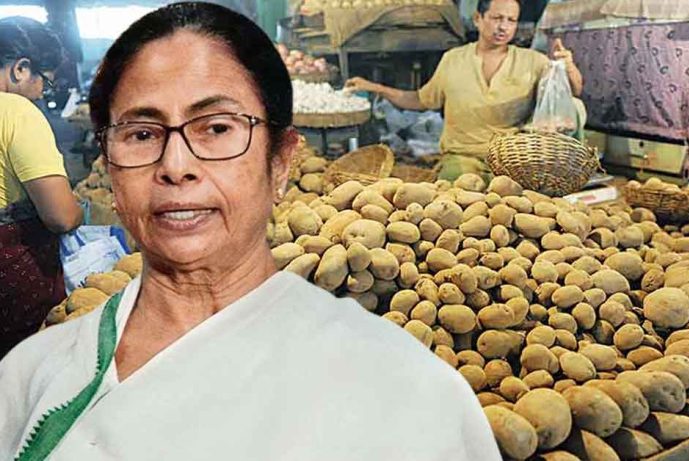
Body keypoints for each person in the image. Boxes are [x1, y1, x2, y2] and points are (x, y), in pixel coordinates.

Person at [0, 3, 501, 460]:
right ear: (109, 166)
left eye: (217, 128)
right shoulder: (30, 378)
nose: (177, 167)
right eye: (142, 134)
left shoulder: (418, 400)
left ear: (281, 162)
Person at [345, 0, 584, 182]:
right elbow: (420, 99)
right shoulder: (453, 60)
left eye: (511, 21)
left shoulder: (532, 61)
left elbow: (571, 94)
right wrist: (374, 87)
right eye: (497, 17)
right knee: (453, 201)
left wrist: (567, 66)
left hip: (512, 159)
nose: (503, 27)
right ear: (478, 18)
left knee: (517, 209)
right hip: (462, 157)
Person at [0, 17, 83, 358]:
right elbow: (60, 217)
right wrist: (80, 210)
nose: (41, 95)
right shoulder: (16, 111)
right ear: (21, 69)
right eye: (45, 85)